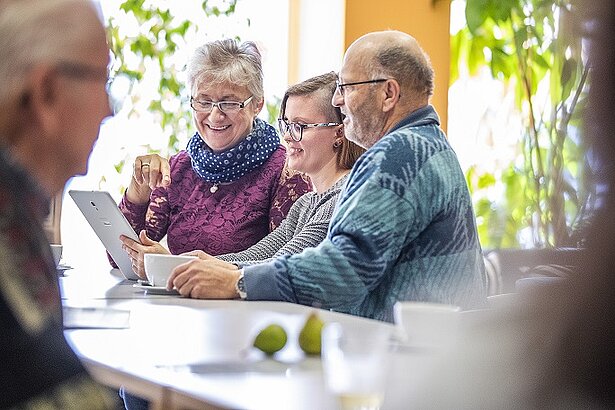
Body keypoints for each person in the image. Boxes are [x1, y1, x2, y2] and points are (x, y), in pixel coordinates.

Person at [167, 30, 487, 322]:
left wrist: (237, 281)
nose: (337, 100)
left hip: (405, 361)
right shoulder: (428, 145)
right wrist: (217, 269)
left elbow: (344, 270)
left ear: (389, 93)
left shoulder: (399, 154)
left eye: (346, 87)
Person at [404, 1, 615, 407]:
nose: (341, 101)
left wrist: (248, 278)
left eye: (346, 88)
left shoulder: (405, 151)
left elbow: (345, 263)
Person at [121, 72, 364, 277]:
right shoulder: (306, 203)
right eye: (286, 125)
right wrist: (183, 265)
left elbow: (278, 268)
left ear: (339, 133)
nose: (288, 136)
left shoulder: (345, 197)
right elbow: (255, 256)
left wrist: (171, 267)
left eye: (300, 127)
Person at [0, 0, 116, 408]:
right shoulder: (7, 218)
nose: (109, 110)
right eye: (102, 80)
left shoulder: (20, 206)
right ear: (46, 91)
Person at [117, 38, 311, 277]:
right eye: (204, 101)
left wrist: (171, 268)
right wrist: (138, 189)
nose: (215, 115)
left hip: (248, 311)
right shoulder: (179, 167)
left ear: (257, 104)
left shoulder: (286, 172)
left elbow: (285, 265)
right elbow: (121, 260)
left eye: (229, 103)